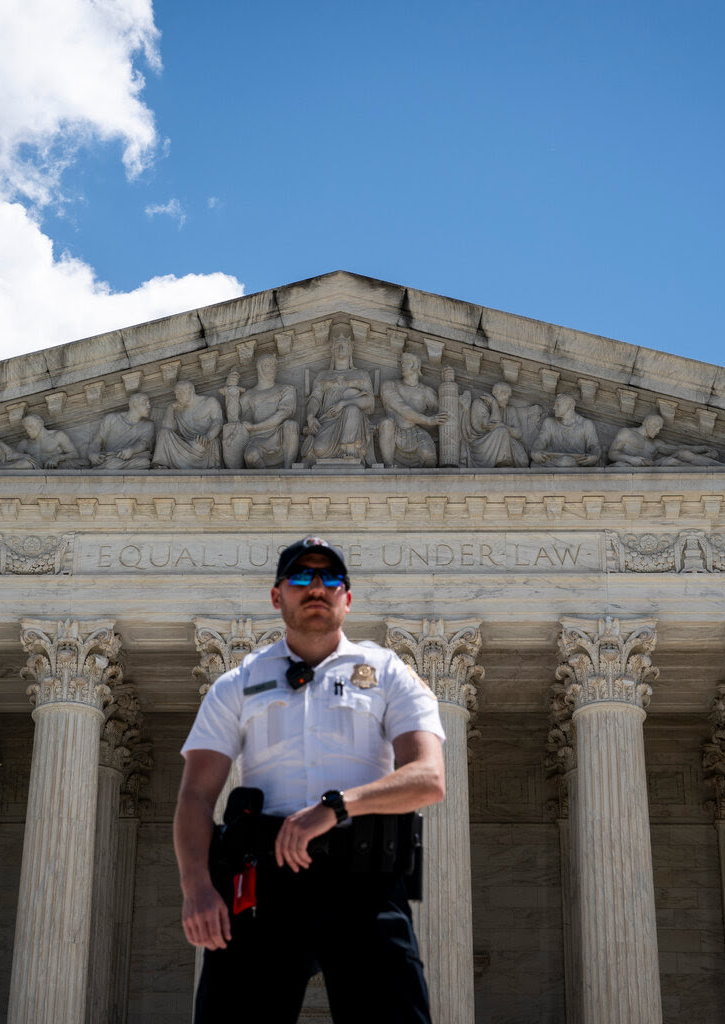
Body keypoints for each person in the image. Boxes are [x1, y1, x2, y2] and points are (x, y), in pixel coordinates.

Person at [174, 536, 446, 1023]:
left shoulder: (388, 673)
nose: (316, 587)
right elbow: (196, 794)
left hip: (364, 878)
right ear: (278, 596)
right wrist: (196, 887)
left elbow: (427, 777)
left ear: (347, 597)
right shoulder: (238, 683)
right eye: (301, 577)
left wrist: (336, 807)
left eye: (330, 578)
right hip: (264, 883)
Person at [300, 324, 376, 466]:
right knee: (320, 449)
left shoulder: (361, 374)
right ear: (332, 351)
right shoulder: (323, 375)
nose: (341, 349)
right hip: (328, 421)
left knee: (352, 410)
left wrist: (344, 403)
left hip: (354, 422)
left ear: (351, 350)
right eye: (337, 346)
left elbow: (370, 402)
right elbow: (315, 398)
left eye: (344, 346)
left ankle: (350, 451)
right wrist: (310, 416)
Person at [377, 352, 448, 468]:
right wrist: (429, 420)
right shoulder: (389, 385)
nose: (402, 366)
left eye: (406, 363)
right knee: (386, 423)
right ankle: (388, 467)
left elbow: (444, 411)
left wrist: (461, 405)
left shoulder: (426, 392)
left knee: (429, 454)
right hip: (393, 432)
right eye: (401, 363)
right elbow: (401, 408)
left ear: (416, 366)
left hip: (415, 433)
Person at [0, 414, 80, 470]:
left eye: (31, 427)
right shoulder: (25, 443)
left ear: (40, 424)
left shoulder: (58, 436)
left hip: (39, 468)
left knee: (25, 464)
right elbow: (13, 457)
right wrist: (2, 446)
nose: (28, 431)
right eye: (26, 428)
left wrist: (57, 458)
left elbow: (75, 454)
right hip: (22, 465)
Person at [530, 393, 602, 467]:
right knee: (534, 465)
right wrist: (535, 452)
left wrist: (595, 457)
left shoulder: (586, 424)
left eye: (558, 405)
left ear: (569, 406)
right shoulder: (549, 422)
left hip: (579, 462)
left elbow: (594, 446)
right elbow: (540, 442)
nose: (554, 408)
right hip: (553, 462)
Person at [88, 392, 156, 469]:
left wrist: (131, 450)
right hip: (109, 458)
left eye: (149, 403)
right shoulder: (111, 418)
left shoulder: (148, 425)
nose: (149, 406)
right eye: (145, 403)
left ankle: (111, 467)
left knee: (144, 462)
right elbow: (97, 441)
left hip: (133, 459)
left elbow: (144, 443)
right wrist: (92, 453)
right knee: (112, 463)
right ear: (134, 404)